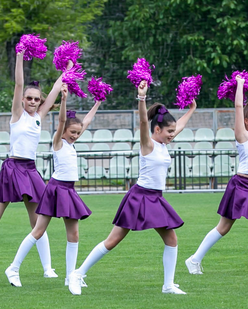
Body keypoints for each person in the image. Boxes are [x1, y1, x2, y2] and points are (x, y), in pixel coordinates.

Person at [67, 80, 196, 295]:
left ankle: (168, 285)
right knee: (113, 240)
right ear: (157, 129)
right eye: (169, 131)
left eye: (174, 131)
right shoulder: (149, 143)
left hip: (156, 198)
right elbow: (143, 123)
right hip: (140, 197)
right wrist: (142, 98)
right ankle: (78, 273)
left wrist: (192, 109)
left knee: (171, 238)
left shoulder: (164, 143)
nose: (173, 134)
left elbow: (178, 125)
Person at [0, 51, 63, 280]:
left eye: (37, 99)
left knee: (38, 219)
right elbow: (18, 83)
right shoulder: (17, 114)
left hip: (30, 169)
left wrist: (67, 69)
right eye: (30, 98)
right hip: (12, 168)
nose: (33, 102)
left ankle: (48, 268)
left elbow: (57, 87)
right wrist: (19, 57)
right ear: (23, 100)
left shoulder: (39, 115)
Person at [185, 75, 248, 275]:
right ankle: (194, 259)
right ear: (246, 122)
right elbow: (240, 108)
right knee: (223, 227)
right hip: (241, 186)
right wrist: (240, 85)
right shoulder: (243, 135)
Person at [6, 85, 102, 287]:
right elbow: (60, 121)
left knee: (74, 234)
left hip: (69, 190)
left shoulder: (72, 142)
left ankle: (70, 277)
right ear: (64, 130)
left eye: (78, 133)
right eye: (73, 132)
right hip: (55, 189)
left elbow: (86, 122)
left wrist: (98, 102)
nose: (76, 135)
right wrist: (64, 100)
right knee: (38, 231)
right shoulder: (58, 141)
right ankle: (13, 268)